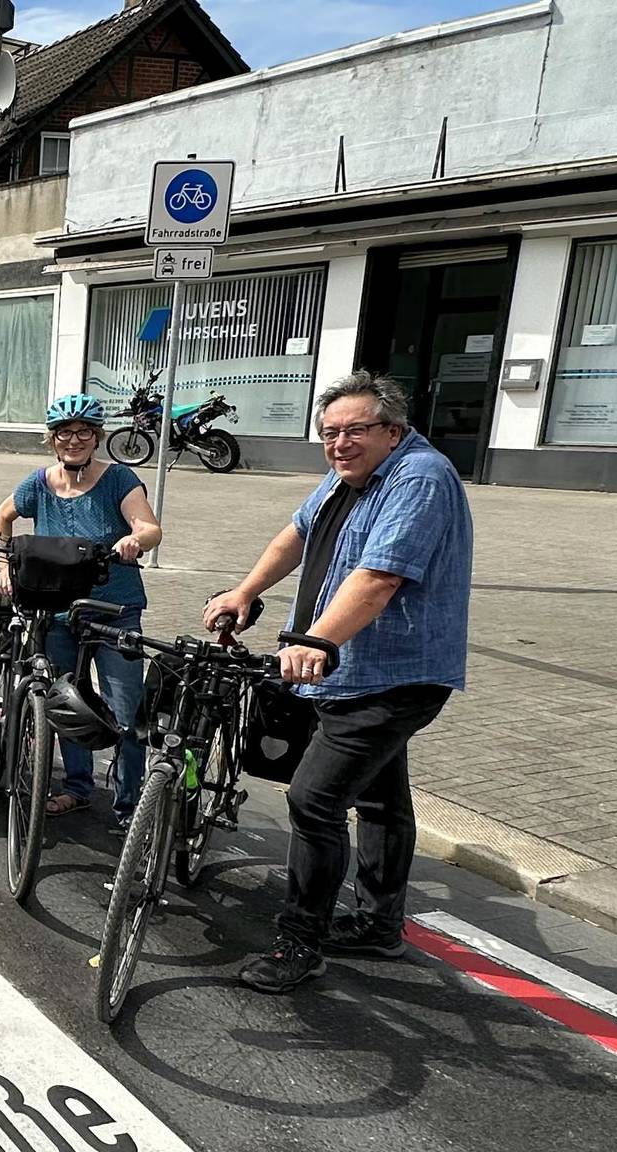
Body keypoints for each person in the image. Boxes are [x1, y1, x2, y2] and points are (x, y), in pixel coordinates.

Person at [204, 371, 472, 994]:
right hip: (352, 669)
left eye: (355, 430)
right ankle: (380, 926)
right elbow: (297, 534)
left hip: (391, 673)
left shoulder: (419, 478)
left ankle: (302, 941)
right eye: (329, 433)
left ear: (393, 431)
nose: (339, 443)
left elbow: (380, 577)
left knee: (313, 799)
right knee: (379, 797)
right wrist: (245, 591)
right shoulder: (348, 475)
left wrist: (316, 638)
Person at [0, 393, 160, 826]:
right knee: (68, 704)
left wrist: (135, 540)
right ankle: (78, 788)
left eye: (84, 432)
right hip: (57, 613)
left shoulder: (119, 480)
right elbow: (3, 516)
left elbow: (149, 526)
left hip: (113, 610)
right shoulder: (38, 484)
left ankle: (129, 808)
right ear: (53, 439)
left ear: (97, 437)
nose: (74, 439)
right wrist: (8, 563)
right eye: (65, 432)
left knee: (126, 710)